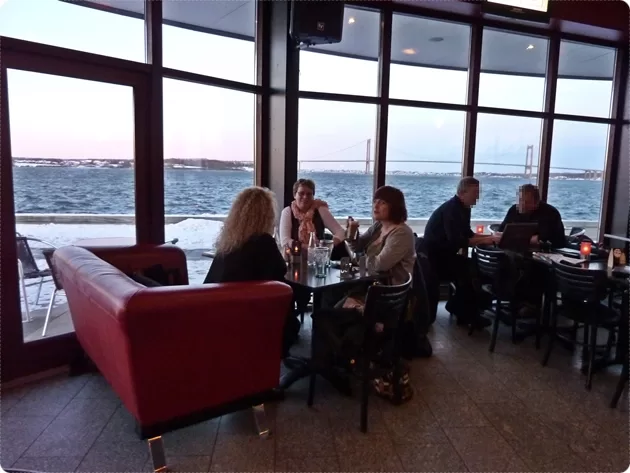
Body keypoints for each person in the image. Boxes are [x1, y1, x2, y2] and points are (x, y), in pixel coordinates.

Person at [312, 186, 416, 396]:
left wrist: (355, 261)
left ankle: (336, 361)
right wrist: (351, 234)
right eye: (375, 201)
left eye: (382, 202)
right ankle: (333, 359)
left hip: (386, 299)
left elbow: (379, 265)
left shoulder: (402, 233)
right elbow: (358, 246)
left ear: (395, 206)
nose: (376, 206)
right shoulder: (378, 226)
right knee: (328, 297)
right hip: (369, 287)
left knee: (328, 312)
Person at [204, 187, 299, 355]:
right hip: (250, 321)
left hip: (216, 319)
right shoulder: (263, 242)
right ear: (266, 216)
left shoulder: (229, 243)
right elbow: (280, 273)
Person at [423, 177, 499, 328]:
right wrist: (488, 239)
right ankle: (464, 310)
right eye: (475, 192)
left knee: (471, 268)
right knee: (472, 271)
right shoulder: (452, 210)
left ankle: (461, 307)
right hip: (434, 259)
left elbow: (469, 235)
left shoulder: (463, 208)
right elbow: (458, 241)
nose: (478, 196)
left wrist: (493, 237)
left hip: (445, 256)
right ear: (462, 193)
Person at [279, 179, 347, 248]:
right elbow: (285, 241)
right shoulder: (287, 212)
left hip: (318, 253)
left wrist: (329, 245)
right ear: (294, 195)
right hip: (294, 254)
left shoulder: (320, 209)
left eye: (309, 194)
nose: (305, 197)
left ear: (313, 196)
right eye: (301, 193)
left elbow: (341, 232)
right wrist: (310, 248)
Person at [498, 184, 566, 249]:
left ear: (536, 202)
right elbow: (501, 231)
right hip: (519, 248)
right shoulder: (514, 209)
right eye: (520, 200)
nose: (522, 204)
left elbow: (541, 239)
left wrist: (511, 239)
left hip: (551, 250)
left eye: (527, 202)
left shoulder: (550, 213)